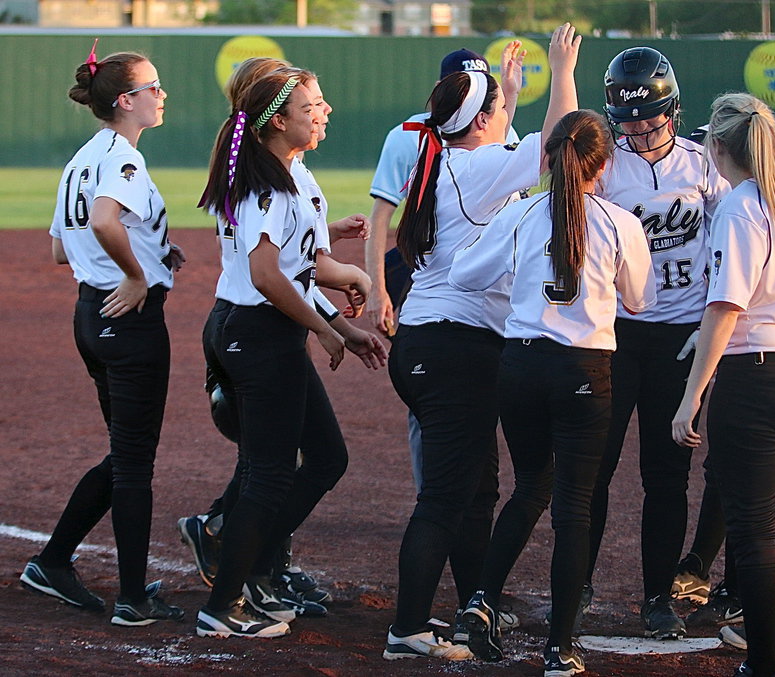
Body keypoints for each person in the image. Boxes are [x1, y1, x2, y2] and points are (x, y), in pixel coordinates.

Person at [382, 24, 581, 662]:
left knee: (474, 489)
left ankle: (475, 603)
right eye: (498, 109)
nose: (505, 116)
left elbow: (512, 147)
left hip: (435, 342)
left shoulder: (451, 161)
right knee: (446, 495)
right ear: (482, 121)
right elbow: (558, 145)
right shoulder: (476, 165)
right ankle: (407, 627)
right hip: (453, 348)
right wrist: (560, 69)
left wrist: (508, 95)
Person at [451, 108, 656, 677]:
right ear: (604, 165)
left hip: (519, 364)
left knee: (529, 488)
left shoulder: (521, 214)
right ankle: (559, 649)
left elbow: (466, 275)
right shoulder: (618, 221)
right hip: (584, 370)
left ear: (547, 159)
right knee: (573, 508)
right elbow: (642, 300)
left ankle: (482, 599)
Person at [178, 57, 376, 613]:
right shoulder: (269, 184)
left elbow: (301, 263)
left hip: (262, 330)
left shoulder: (286, 174)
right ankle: (227, 600)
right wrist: (327, 328)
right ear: (276, 122)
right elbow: (267, 276)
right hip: (256, 332)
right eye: (311, 106)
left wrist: (338, 319)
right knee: (267, 475)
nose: (324, 112)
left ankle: (250, 563)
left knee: (322, 458)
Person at [670, 93, 775, 677]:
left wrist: (692, 395)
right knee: (765, 521)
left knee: (751, 529)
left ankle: (765, 662)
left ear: (720, 148)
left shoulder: (742, 205)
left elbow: (726, 308)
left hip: (754, 376)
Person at [24, 43, 186, 627]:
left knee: (124, 454)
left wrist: (154, 250)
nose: (161, 95)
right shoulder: (123, 158)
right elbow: (101, 221)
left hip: (90, 316)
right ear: (126, 101)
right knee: (135, 462)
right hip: (130, 322)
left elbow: (59, 250)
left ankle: (52, 562)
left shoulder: (82, 157)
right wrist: (139, 274)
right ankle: (133, 598)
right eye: (154, 87)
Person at [584, 45, 729, 640]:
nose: (640, 129)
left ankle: (656, 594)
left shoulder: (703, 167)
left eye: (651, 116)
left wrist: (711, 332)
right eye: (629, 118)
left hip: (681, 339)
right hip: (615, 336)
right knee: (592, 467)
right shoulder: (606, 169)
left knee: (667, 474)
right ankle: (579, 582)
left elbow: (728, 251)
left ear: (673, 109)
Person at [363, 49, 519, 493]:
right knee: (432, 398)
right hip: (422, 266)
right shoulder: (407, 135)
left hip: (487, 279)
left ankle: (459, 496)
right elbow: (380, 216)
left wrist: (508, 95)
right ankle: (432, 493)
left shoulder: (498, 128)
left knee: (480, 390)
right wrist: (378, 288)